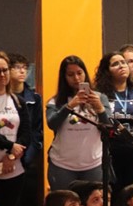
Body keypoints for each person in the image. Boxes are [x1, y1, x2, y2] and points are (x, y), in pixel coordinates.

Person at [94, 51, 133, 202]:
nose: (121, 66)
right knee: (112, 195)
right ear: (106, 71)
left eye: (123, 62)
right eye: (115, 64)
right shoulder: (99, 94)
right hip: (109, 154)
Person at [46, 56, 111, 190]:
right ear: (64, 77)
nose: (76, 78)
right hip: (62, 165)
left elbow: (109, 128)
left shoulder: (100, 98)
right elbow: (52, 124)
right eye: (70, 74)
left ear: (85, 74)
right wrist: (70, 105)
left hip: (93, 163)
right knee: (64, 204)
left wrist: (100, 108)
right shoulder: (55, 101)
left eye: (79, 73)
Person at [0, 52, 29, 206]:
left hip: (14, 167)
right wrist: (9, 145)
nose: (2, 74)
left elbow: (26, 134)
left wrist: (11, 155)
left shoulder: (18, 101)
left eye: (5, 70)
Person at [8, 54, 43, 206]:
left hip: (27, 159)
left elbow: (37, 131)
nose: (22, 71)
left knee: (28, 205)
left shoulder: (34, 98)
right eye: (16, 67)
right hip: (1, 156)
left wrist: (25, 156)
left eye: (24, 67)